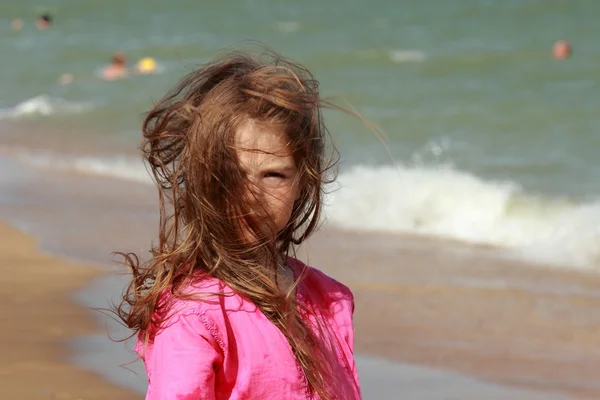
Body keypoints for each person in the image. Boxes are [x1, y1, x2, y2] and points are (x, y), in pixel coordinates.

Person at [115, 49, 362, 399]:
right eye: (231, 176)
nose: (251, 195)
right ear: (201, 180)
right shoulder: (193, 312)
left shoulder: (329, 299)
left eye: (274, 175)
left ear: (303, 183)